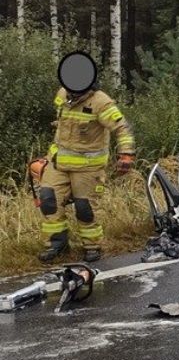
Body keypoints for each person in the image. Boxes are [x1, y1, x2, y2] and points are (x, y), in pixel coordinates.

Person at [37, 52, 136, 263]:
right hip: (58, 161)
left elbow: (122, 128)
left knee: (85, 208)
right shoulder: (62, 94)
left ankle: (92, 246)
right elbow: (62, 121)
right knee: (48, 200)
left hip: (88, 167)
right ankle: (57, 244)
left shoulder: (101, 102)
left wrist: (126, 154)